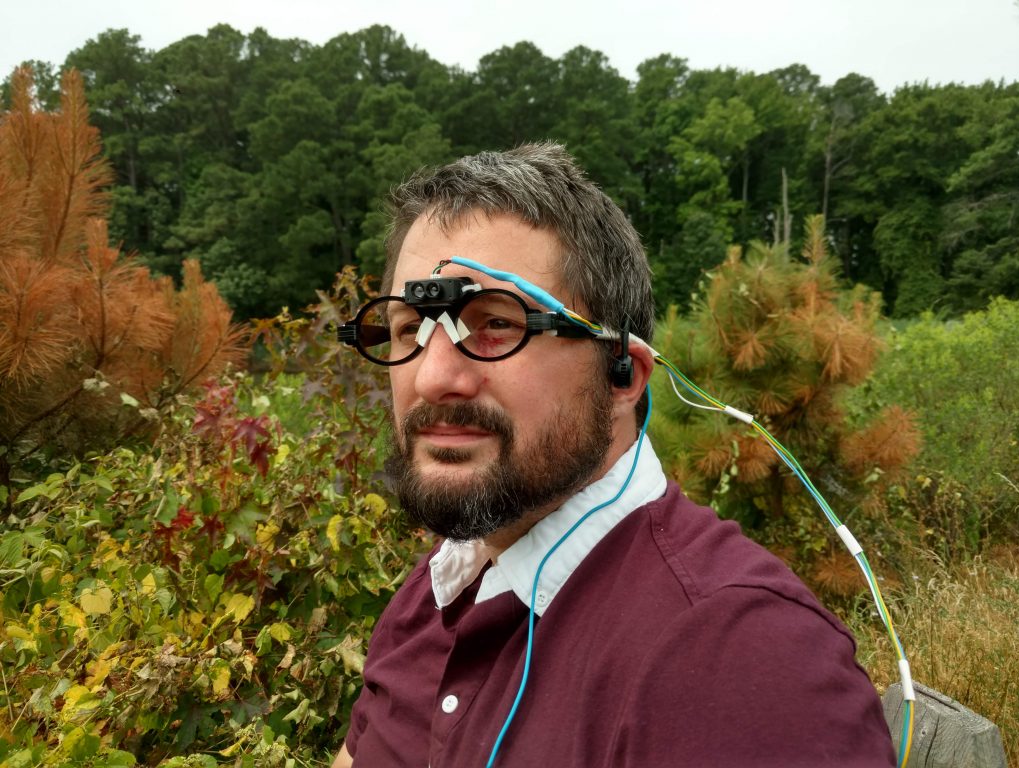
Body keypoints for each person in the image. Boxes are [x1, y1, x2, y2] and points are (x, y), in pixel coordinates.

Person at [332, 143, 896, 767]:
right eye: (412, 327)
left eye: (495, 323)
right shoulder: (438, 587)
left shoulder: (746, 658)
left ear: (622, 376)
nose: (433, 378)